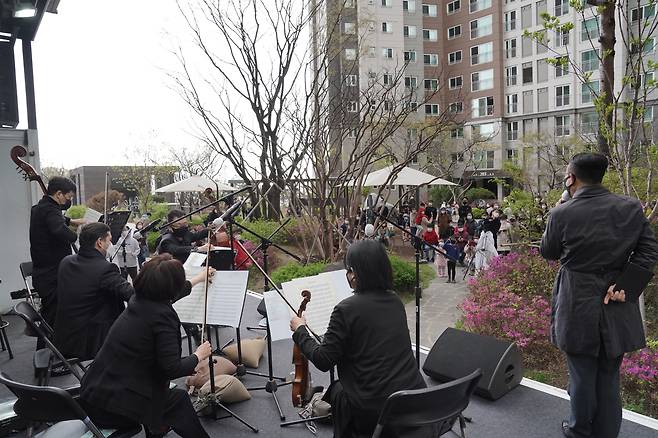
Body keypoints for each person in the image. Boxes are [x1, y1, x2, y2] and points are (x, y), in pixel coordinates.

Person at [540, 153, 658, 438]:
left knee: (581, 375)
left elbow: (549, 251)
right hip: (616, 303)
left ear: (571, 178)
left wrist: (560, 206)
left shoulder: (562, 213)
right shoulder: (630, 207)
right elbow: (649, 251)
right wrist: (624, 286)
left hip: (576, 301)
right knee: (608, 376)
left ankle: (579, 431)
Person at [290, 240, 428, 438]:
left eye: (348, 270)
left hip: (376, 408)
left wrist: (300, 330)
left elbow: (323, 360)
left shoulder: (346, 309)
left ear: (354, 274)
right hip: (412, 400)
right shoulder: (395, 300)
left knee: (337, 390)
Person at [80, 255, 214, 438]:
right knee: (178, 400)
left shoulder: (138, 301)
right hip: (113, 410)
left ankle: (156, 427)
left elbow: (171, 294)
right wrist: (198, 355)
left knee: (163, 396)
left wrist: (198, 278)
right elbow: (171, 368)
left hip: (92, 396)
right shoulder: (162, 318)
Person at [55, 223, 134, 360]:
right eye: (109, 240)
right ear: (99, 242)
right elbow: (131, 294)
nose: (111, 245)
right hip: (92, 340)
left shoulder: (66, 262)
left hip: (65, 337)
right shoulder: (105, 268)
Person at [29, 176, 86, 337]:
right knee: (52, 318)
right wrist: (76, 235)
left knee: (52, 316)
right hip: (51, 277)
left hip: (44, 273)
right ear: (59, 194)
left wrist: (71, 221)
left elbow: (55, 219)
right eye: (68, 197)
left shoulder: (40, 207)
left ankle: (52, 351)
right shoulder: (50, 210)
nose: (68, 201)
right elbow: (58, 229)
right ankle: (49, 352)